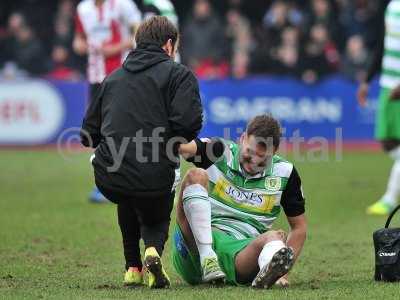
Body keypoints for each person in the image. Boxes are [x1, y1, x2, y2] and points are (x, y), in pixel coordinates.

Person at [80, 16, 203, 288]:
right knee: (157, 198)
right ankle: (152, 251)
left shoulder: (112, 79)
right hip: (155, 176)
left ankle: (132, 268)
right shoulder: (179, 75)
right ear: (169, 45)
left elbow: (87, 134)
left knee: (128, 185)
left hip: (110, 178)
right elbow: (188, 126)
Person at [173, 114, 307, 288]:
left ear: (274, 152)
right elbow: (183, 148)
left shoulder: (285, 173)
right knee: (195, 175)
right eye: (250, 153)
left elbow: (299, 228)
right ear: (242, 139)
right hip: (194, 249)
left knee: (274, 237)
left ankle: (270, 271)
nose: (254, 162)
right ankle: (208, 258)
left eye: (263, 158)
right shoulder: (220, 151)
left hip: (239, 256)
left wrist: (284, 274)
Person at [73, 0, 141, 203]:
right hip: (96, 75)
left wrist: (115, 48)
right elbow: (78, 42)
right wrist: (85, 46)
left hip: (123, 74)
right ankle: (104, 184)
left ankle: (133, 179)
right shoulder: (83, 9)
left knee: (126, 127)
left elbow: (139, 36)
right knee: (100, 129)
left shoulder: (123, 5)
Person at [357, 0, 400, 215]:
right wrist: (367, 80)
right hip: (387, 85)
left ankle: (390, 198)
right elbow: (384, 43)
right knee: (388, 141)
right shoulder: (392, 6)